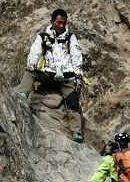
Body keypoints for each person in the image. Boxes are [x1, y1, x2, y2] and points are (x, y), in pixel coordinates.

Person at [18, 8, 85, 143]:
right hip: (49, 73)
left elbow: (76, 56)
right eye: (58, 22)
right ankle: (23, 94)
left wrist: (78, 76)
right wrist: (31, 63)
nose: (61, 26)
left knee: (72, 101)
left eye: (63, 23)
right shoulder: (43, 37)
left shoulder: (70, 38)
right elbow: (35, 52)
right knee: (30, 72)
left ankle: (76, 131)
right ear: (52, 22)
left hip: (67, 76)